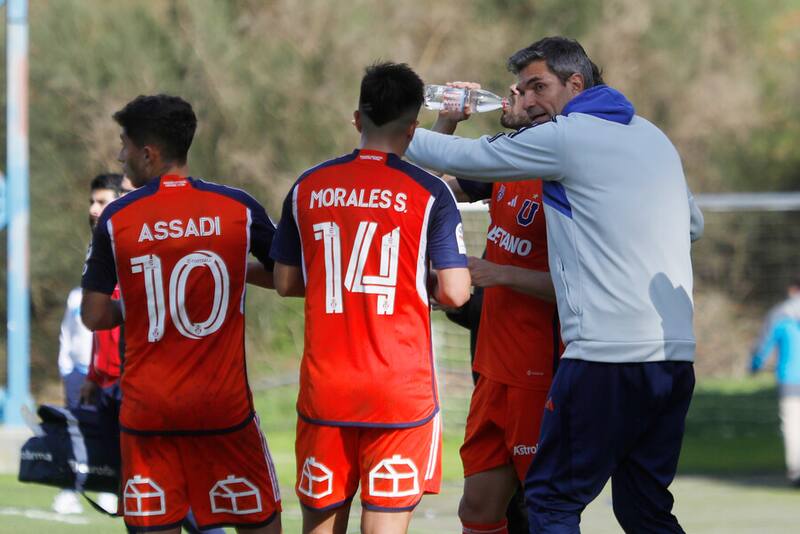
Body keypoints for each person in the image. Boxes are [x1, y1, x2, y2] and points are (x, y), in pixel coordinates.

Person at [406, 37, 703, 533]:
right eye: (521, 89)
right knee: (644, 509)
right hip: (672, 357)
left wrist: (389, 127)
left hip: (604, 356)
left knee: (550, 501)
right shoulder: (651, 136)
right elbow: (692, 224)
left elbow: (466, 155)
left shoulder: (568, 137)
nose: (525, 98)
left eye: (538, 87)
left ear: (576, 83)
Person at [269, 62, 470, 534]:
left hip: (326, 390)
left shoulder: (308, 185)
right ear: (413, 127)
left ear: (358, 118)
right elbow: (456, 292)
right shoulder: (431, 193)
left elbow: (285, 282)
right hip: (399, 393)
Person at [81, 94, 281, 533]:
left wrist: (136, 302)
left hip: (148, 414)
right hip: (223, 411)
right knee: (259, 523)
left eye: (124, 145)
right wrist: (234, 270)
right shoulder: (238, 207)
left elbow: (94, 316)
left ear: (148, 153)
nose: (120, 156)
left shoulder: (117, 218)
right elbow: (291, 279)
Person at [432, 81, 559, 534]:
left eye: (529, 84)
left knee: (543, 510)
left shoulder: (567, 177)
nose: (512, 89)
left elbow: (584, 286)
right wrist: (446, 121)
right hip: (490, 368)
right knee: (477, 510)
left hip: (538, 372)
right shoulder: (506, 160)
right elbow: (427, 191)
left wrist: (497, 273)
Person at [52, 173, 129, 516]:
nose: (93, 209)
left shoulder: (131, 243)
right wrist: (94, 376)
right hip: (106, 379)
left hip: (132, 379)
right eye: (91, 202)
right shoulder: (98, 247)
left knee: (150, 478)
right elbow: (97, 325)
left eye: (102, 202)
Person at [750, 279, 800, 487]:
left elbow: (764, 345)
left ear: (792, 290)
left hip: (790, 379)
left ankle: (796, 470)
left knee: (793, 426)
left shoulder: (780, 314)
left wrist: (754, 366)